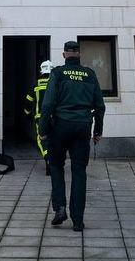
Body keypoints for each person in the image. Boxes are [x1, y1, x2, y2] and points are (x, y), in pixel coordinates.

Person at [39, 40, 105, 232]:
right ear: (79, 54)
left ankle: (60, 208)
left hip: (60, 126)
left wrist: (43, 130)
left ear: (64, 55)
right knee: (79, 172)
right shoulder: (90, 75)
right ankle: (78, 220)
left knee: (57, 166)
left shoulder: (57, 73)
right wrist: (97, 131)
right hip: (83, 127)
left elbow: (48, 104)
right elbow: (100, 106)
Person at [24, 60, 53, 174]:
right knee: (54, 138)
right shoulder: (56, 83)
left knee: (41, 139)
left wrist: (27, 114)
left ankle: (48, 158)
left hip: (40, 118)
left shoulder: (37, 84)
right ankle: (54, 160)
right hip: (55, 117)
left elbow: (28, 101)